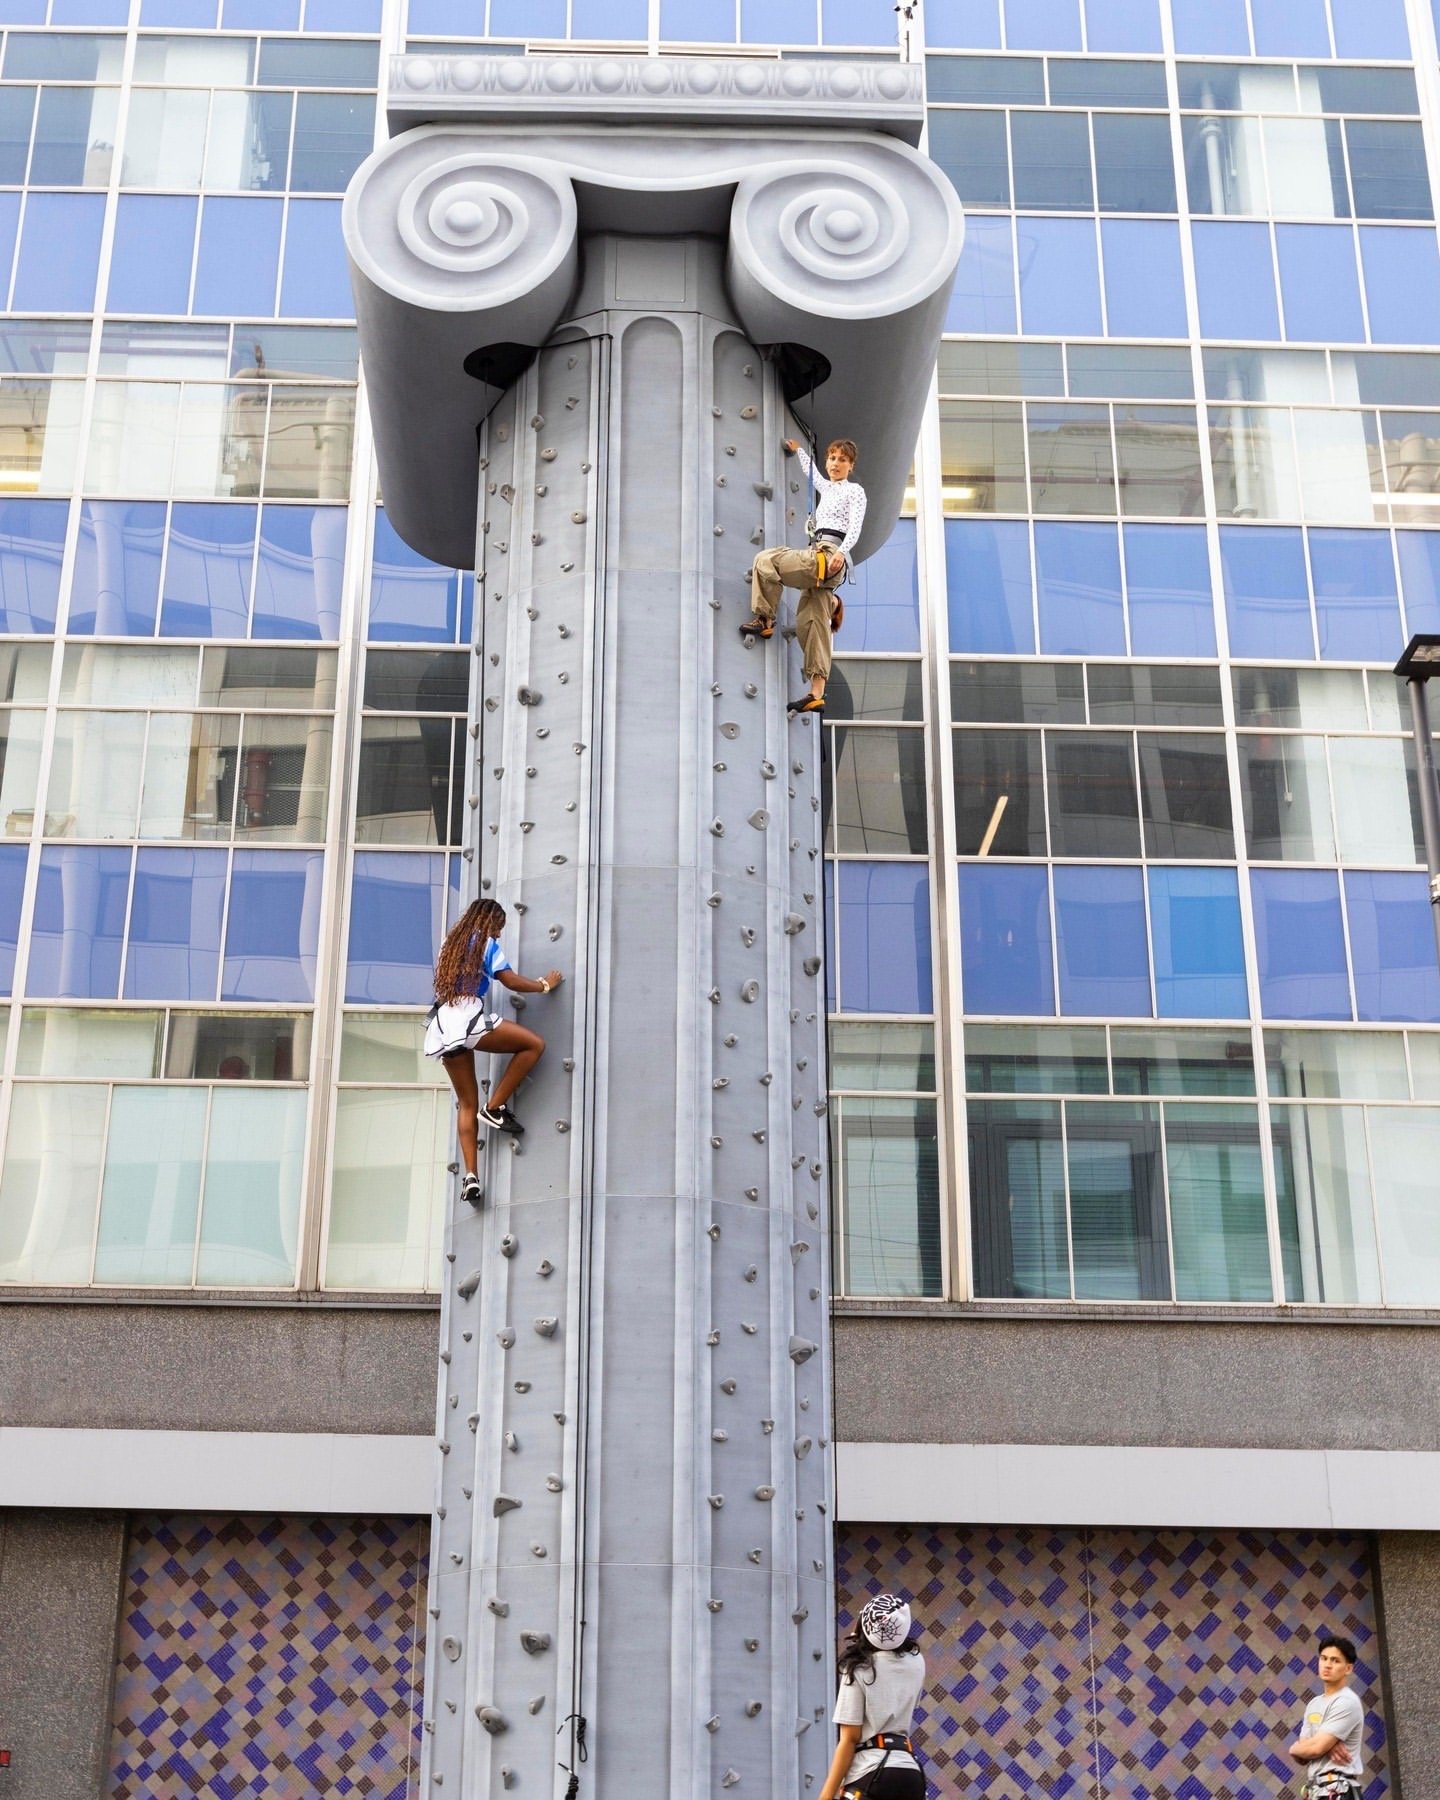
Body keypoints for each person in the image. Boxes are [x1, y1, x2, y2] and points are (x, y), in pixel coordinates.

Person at [424, 898, 563, 1207]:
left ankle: (471, 1175)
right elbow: (509, 980)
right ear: (490, 922)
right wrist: (544, 985)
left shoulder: (449, 944)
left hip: (444, 1025)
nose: (499, 934)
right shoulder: (484, 943)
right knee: (533, 1044)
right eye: (499, 927)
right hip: (469, 1018)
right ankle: (495, 1107)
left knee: (466, 1104)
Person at [741, 436, 867, 716]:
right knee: (813, 626)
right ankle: (816, 694)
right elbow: (813, 474)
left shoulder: (854, 491)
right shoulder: (828, 487)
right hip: (823, 561)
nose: (835, 464)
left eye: (842, 460)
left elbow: (855, 527)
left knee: (766, 559)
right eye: (832, 458)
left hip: (828, 554)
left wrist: (841, 553)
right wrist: (798, 450)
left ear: (851, 465)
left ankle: (765, 618)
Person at [819, 1592, 926, 1800]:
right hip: (910, 1772)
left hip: (871, 1772)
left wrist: (825, 1797)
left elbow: (850, 1739)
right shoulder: (917, 1663)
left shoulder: (858, 1668)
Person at [1287, 1635, 1366, 1799]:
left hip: (1338, 1789)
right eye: (1324, 1658)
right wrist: (1325, 1745)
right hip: (1316, 1789)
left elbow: (1314, 1749)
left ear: (1348, 1668)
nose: (1327, 1665)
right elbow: (1304, 1755)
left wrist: (1295, 1748)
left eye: (1335, 1661)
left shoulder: (1346, 1701)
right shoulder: (1314, 1704)